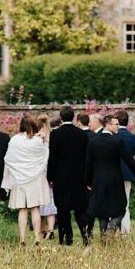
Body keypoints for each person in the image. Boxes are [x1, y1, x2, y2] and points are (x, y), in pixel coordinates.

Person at [85, 114, 135, 237]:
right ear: (107, 124)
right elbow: (129, 161)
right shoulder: (117, 141)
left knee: (102, 210)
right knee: (121, 207)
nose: (118, 126)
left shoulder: (93, 141)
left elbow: (88, 164)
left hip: (98, 179)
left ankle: (103, 234)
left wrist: (88, 182)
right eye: (115, 124)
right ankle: (111, 228)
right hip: (115, 179)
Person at [1, 114, 50, 246]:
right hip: (35, 179)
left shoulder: (15, 140)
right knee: (35, 208)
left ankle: (22, 238)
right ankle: (37, 237)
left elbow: (8, 159)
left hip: (19, 179)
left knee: (22, 209)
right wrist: (45, 140)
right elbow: (46, 154)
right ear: (34, 126)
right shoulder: (38, 141)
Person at [47, 105, 89, 245]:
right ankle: (85, 235)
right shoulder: (82, 134)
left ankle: (66, 238)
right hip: (79, 175)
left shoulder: (55, 134)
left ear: (61, 116)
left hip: (61, 176)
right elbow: (86, 157)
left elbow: (52, 157)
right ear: (73, 116)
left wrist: (50, 177)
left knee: (63, 209)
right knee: (80, 208)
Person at [114, 109, 135, 235]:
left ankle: (111, 232)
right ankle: (125, 233)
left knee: (112, 204)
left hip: (112, 174)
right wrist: (132, 167)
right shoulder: (132, 137)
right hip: (127, 175)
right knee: (125, 205)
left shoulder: (113, 135)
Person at [36, 114, 57, 240]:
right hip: (50, 172)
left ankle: (42, 230)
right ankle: (50, 231)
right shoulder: (53, 136)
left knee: (40, 203)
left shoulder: (37, 137)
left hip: (39, 172)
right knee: (50, 201)